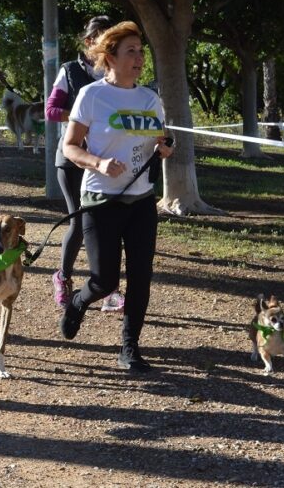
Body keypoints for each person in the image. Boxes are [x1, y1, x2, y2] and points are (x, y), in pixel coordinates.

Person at [58, 21, 173, 373]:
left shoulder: (150, 98)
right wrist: (98, 162)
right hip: (100, 199)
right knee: (104, 280)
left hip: (140, 200)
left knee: (141, 276)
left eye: (141, 51)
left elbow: (162, 139)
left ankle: (130, 348)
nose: (139, 58)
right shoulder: (92, 95)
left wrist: (165, 148)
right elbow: (70, 147)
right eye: (131, 52)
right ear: (110, 57)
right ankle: (78, 302)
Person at [45, 16, 126, 312]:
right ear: (89, 41)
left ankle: (110, 291)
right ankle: (63, 278)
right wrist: (82, 116)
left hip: (105, 161)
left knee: (110, 225)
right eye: (103, 38)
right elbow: (52, 110)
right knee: (79, 223)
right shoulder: (70, 71)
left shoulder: (117, 74)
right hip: (71, 159)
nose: (109, 44)